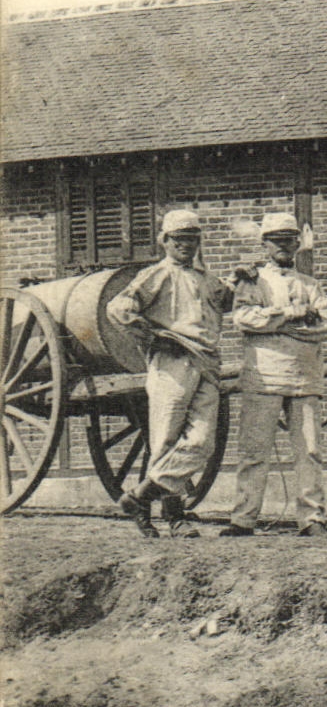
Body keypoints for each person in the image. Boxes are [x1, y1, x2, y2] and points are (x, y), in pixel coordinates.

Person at [105, 209, 234, 538]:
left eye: (192, 239)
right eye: (179, 239)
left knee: (203, 442)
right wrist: (152, 336)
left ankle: (139, 496)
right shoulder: (157, 274)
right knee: (164, 440)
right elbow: (119, 308)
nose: (186, 245)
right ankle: (172, 518)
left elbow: (226, 301)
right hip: (171, 365)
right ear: (165, 241)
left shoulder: (206, 278)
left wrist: (242, 279)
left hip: (207, 364)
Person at [224, 212, 327, 538]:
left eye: (290, 239)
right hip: (263, 376)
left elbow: (324, 326)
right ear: (264, 244)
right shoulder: (253, 282)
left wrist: (274, 325)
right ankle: (244, 518)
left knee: (309, 451)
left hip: (305, 376)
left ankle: (312, 518)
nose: (284, 246)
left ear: (298, 244)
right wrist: (291, 316)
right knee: (254, 450)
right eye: (277, 240)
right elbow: (244, 320)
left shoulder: (311, 285)